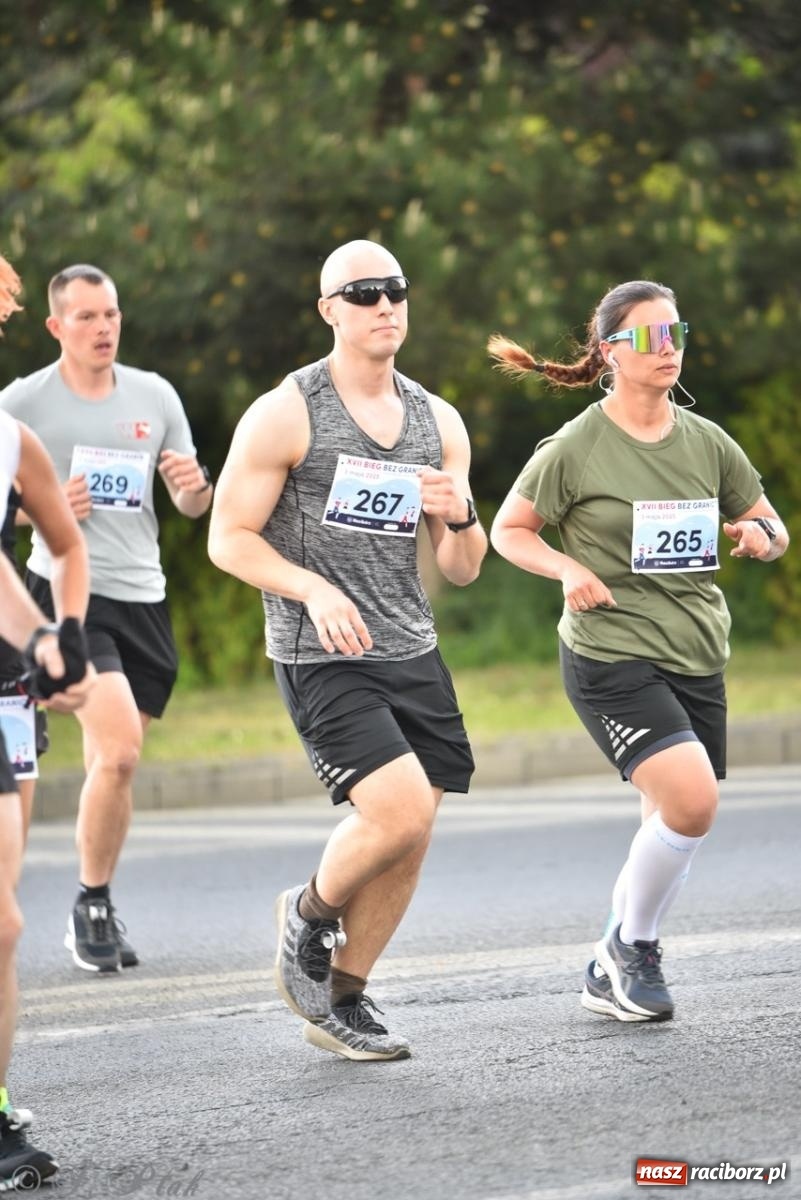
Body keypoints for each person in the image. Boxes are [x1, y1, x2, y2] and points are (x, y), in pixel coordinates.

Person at [209, 239, 487, 1060]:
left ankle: (345, 993)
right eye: (363, 292)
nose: (384, 305)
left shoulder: (437, 421)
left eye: (396, 289)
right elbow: (228, 538)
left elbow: (463, 571)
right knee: (393, 812)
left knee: (413, 828)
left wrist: (461, 512)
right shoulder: (288, 411)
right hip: (320, 648)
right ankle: (305, 918)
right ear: (329, 309)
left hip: (409, 643)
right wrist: (312, 587)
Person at [487, 280, 789, 1023]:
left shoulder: (707, 441)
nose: (669, 350)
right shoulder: (577, 447)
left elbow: (771, 525)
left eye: (676, 332)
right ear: (610, 353)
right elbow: (510, 530)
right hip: (609, 652)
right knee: (691, 803)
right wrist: (568, 568)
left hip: (695, 650)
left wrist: (761, 537)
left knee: (665, 816)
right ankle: (634, 948)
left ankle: (604, 964)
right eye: (651, 337)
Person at [0, 263, 213, 974]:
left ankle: (94, 896)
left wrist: (192, 489)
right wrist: (47, 503)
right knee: (119, 748)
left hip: (143, 596)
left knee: (112, 764)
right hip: (62, 593)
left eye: (112, 315)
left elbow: (191, 503)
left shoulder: (153, 395)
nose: (103, 328)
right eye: (86, 317)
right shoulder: (23, 401)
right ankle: (91, 901)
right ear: (56, 326)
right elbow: (8, 506)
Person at [0, 252, 93, 1188]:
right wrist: (45, 643)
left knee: (3, 922)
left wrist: (58, 633)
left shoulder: (7, 439)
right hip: (17, 656)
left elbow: (62, 548)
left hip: (1, 689)